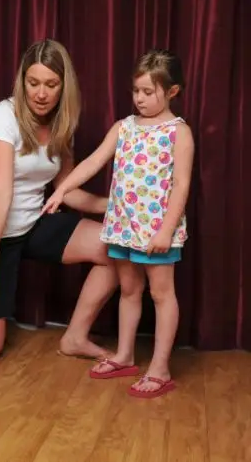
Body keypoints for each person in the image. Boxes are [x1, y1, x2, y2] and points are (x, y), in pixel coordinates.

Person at [0, 39, 119, 360]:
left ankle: (75, 338)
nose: (41, 93)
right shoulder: (2, 117)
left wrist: (115, 205)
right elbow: (1, 189)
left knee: (114, 250)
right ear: (22, 82)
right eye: (33, 83)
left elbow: (68, 190)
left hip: (31, 224)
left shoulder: (62, 126)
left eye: (51, 84)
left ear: (64, 86)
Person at [43, 49, 192, 398]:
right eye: (136, 91)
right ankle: (125, 356)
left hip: (157, 231)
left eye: (148, 92)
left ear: (171, 92)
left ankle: (160, 368)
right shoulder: (123, 127)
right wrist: (63, 189)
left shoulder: (178, 133)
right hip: (123, 227)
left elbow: (182, 184)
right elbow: (94, 161)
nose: (139, 98)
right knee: (128, 290)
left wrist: (167, 230)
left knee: (161, 293)